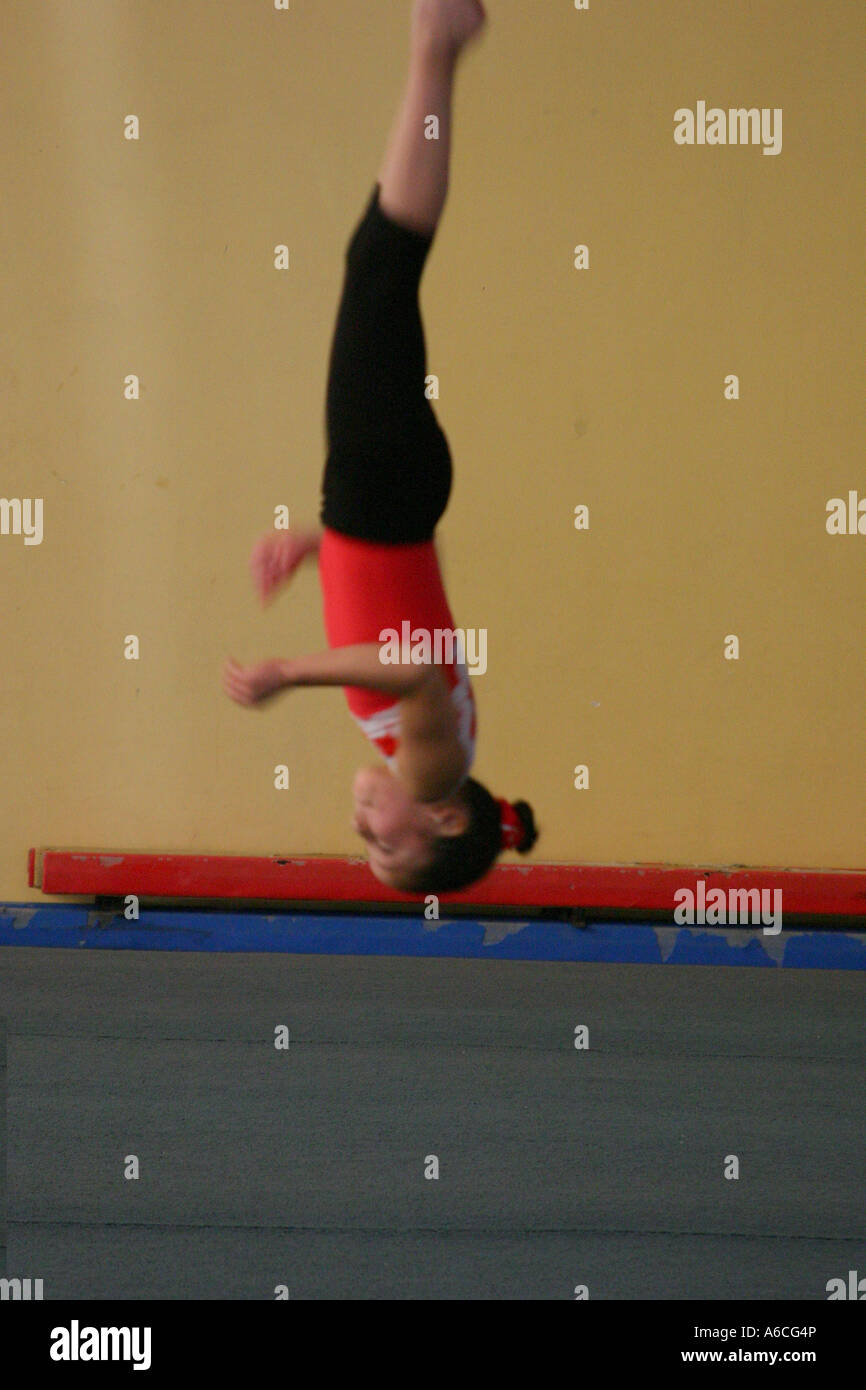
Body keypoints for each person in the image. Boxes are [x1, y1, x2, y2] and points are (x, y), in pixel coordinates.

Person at [223, 0, 538, 893]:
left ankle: (437, 50)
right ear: (443, 819)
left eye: (368, 850)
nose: (366, 830)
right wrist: (290, 670)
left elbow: (398, 610)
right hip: (385, 496)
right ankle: (438, 46)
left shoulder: (428, 761)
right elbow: (408, 663)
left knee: (378, 269)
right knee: (381, 268)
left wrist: (316, 550)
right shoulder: (436, 767)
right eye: (389, 845)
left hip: (381, 507)